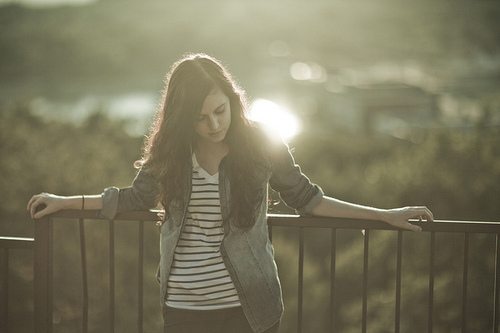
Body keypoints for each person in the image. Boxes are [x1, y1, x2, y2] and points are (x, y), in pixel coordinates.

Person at [27, 53, 433, 333]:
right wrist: (66, 203)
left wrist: (385, 214)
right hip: (184, 309)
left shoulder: (260, 143)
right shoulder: (171, 151)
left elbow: (309, 199)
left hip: (250, 307)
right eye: (201, 118)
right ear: (184, 118)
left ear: (233, 100)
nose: (214, 124)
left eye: (220, 110)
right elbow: (133, 198)